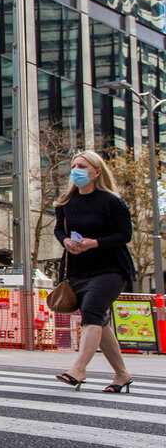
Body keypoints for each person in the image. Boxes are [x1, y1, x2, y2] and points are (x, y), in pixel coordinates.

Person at [52, 151, 136, 393]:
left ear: (97, 172)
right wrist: (66, 241)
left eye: (82, 166)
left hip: (110, 269)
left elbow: (124, 235)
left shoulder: (111, 201)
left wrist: (94, 243)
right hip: (78, 270)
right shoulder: (65, 203)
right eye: (74, 166)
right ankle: (122, 375)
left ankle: (78, 369)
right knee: (99, 320)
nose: (76, 170)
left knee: (91, 311)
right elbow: (59, 230)